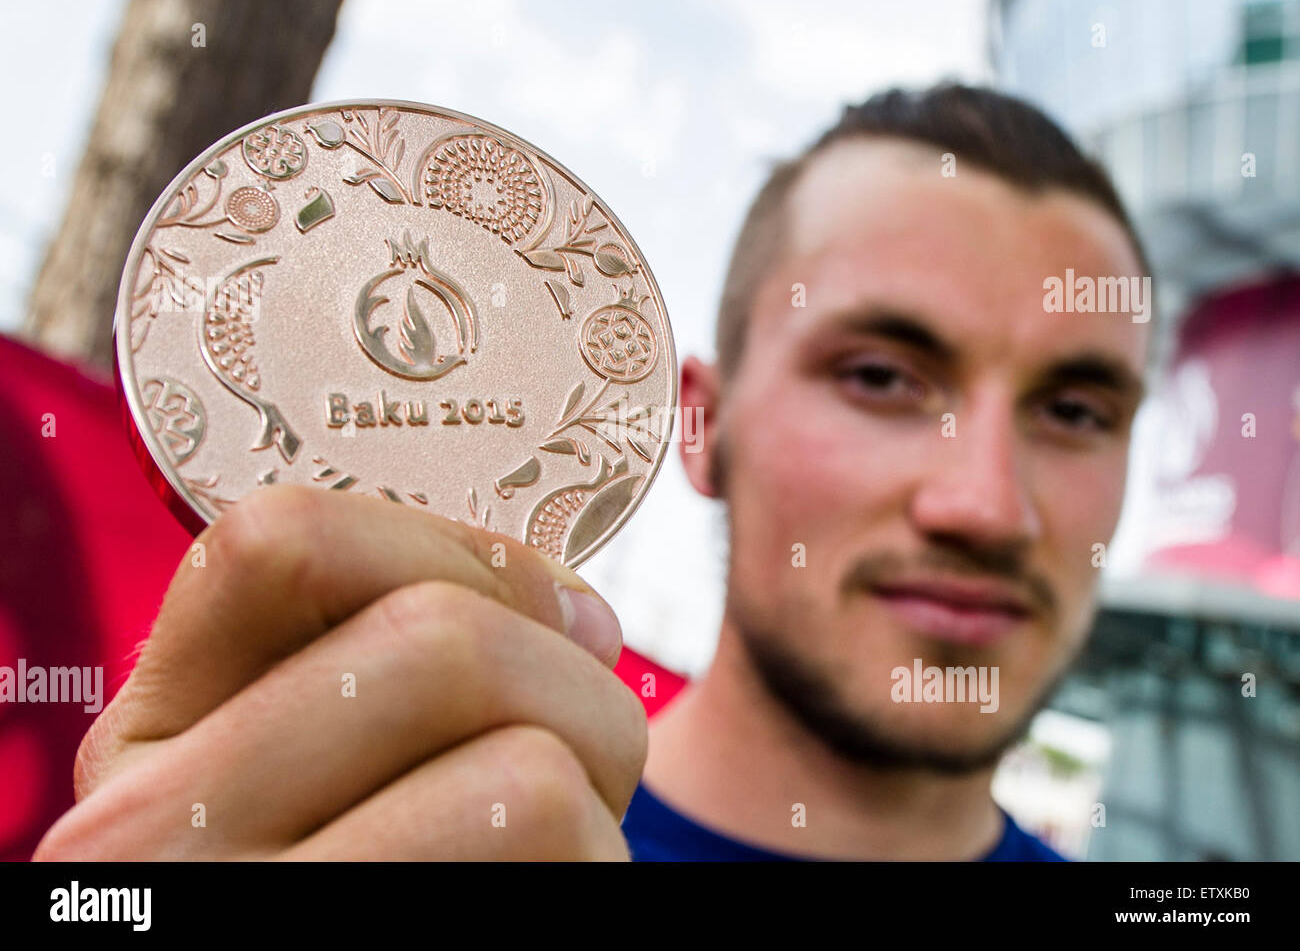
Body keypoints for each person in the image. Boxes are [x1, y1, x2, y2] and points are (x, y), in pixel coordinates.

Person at [30, 82, 1150, 861]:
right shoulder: (343, 823)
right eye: (879, 377)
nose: (987, 505)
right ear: (700, 427)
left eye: (1072, 408)